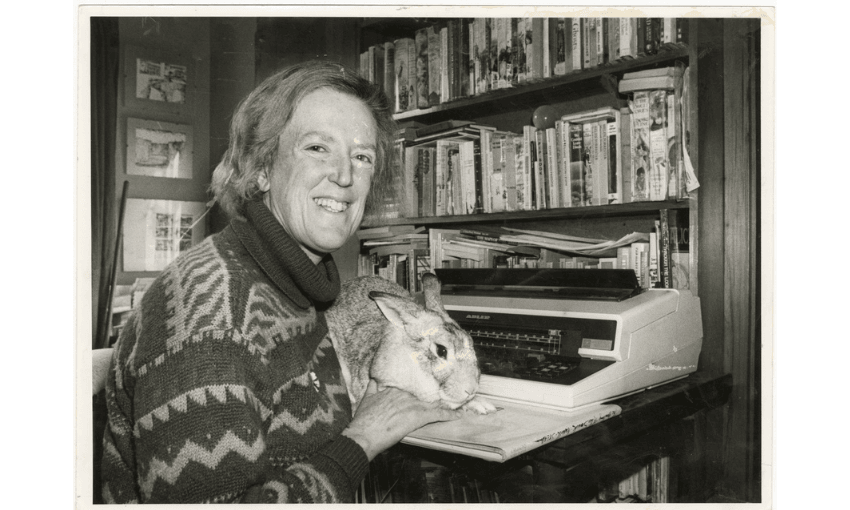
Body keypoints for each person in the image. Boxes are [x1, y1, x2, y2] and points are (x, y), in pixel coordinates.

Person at [100, 60, 462, 504]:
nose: (345, 176)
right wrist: (362, 439)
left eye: (362, 156)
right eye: (317, 148)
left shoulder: (301, 290)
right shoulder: (211, 312)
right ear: (261, 169)